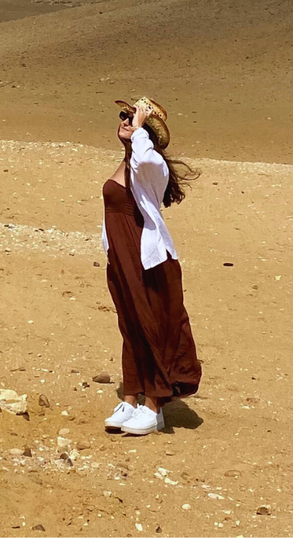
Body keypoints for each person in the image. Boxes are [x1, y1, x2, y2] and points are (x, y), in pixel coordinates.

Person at [101, 97, 202, 436]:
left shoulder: (151, 162)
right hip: (122, 255)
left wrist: (142, 130)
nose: (127, 122)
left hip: (148, 259)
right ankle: (131, 398)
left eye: (134, 118)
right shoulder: (127, 163)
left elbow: (143, 157)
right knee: (130, 323)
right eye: (125, 116)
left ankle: (155, 404)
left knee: (153, 322)